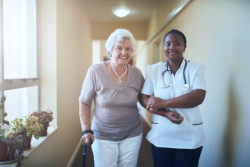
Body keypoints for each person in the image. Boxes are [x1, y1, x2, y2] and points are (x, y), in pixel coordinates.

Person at [139, 29, 206, 167]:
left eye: (177, 44)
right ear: (163, 47)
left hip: (189, 138)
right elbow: (143, 98)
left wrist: (163, 102)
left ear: (184, 47)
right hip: (161, 137)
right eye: (168, 44)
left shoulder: (196, 69)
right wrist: (165, 113)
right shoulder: (154, 70)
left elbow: (198, 97)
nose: (172, 47)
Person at [79, 29, 144, 167]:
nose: (123, 52)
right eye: (119, 48)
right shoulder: (95, 71)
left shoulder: (137, 73)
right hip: (103, 134)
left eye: (128, 48)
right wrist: (86, 129)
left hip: (132, 133)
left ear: (132, 51)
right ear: (111, 51)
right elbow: (85, 101)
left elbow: (144, 98)